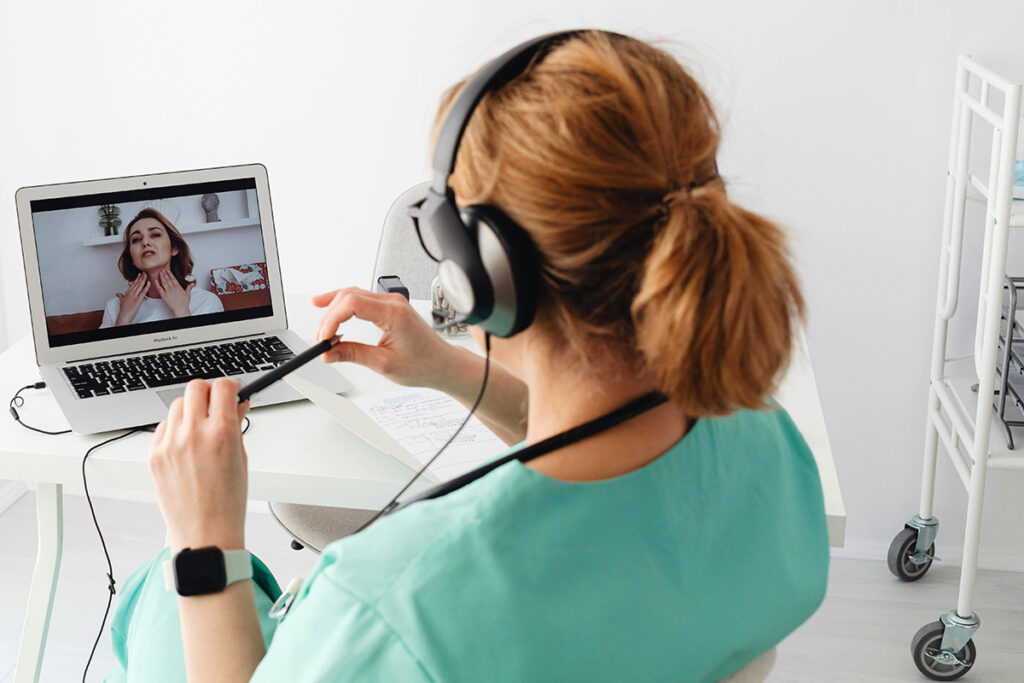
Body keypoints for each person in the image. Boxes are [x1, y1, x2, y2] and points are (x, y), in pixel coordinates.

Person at [106, 31, 829, 682]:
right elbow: (603, 453)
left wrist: (203, 536)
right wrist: (451, 369)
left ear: (490, 274)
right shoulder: (771, 448)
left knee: (158, 594)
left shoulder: (395, 602)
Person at [99, 208, 224, 328]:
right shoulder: (115, 307)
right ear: (131, 258)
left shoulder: (206, 301)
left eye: (155, 235)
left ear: (174, 248)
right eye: (136, 239)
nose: (145, 243)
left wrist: (182, 312)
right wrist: (123, 319)